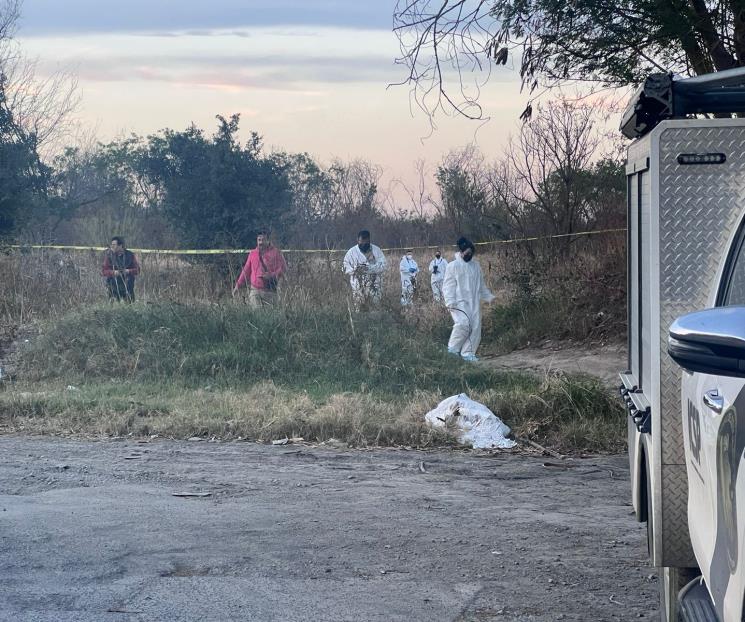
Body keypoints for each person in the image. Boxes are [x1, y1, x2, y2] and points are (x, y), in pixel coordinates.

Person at [442, 237, 495, 362]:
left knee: (476, 327)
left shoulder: (475, 266)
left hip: (474, 302)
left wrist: (489, 297)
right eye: (467, 252)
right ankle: (452, 350)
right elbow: (448, 286)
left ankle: (468, 353)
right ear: (461, 252)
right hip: (459, 302)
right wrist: (450, 301)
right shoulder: (452, 266)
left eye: (471, 252)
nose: (469, 255)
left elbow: (481, 285)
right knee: (463, 324)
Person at [232, 230, 287, 307]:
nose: (261, 242)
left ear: (268, 240)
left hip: (270, 292)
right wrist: (237, 286)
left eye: (263, 240)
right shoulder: (252, 253)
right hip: (255, 291)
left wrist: (271, 275)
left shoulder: (277, 253)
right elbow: (246, 271)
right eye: (259, 240)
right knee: (257, 314)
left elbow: (283, 268)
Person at [343, 230, 386, 308]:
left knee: (375, 306)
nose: (363, 243)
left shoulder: (376, 250)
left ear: (369, 240)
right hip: (357, 283)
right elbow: (345, 267)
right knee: (359, 306)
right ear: (358, 240)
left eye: (366, 241)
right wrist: (355, 270)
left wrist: (369, 269)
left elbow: (383, 265)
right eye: (361, 241)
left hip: (375, 283)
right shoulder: (351, 252)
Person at [102, 236, 140, 303]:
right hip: (113, 286)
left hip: (128, 286)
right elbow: (103, 271)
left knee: (129, 306)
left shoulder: (130, 255)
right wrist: (113, 272)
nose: (112, 246)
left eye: (114, 245)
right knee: (113, 307)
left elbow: (137, 270)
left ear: (120, 245)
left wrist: (128, 271)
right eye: (111, 245)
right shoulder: (109, 256)